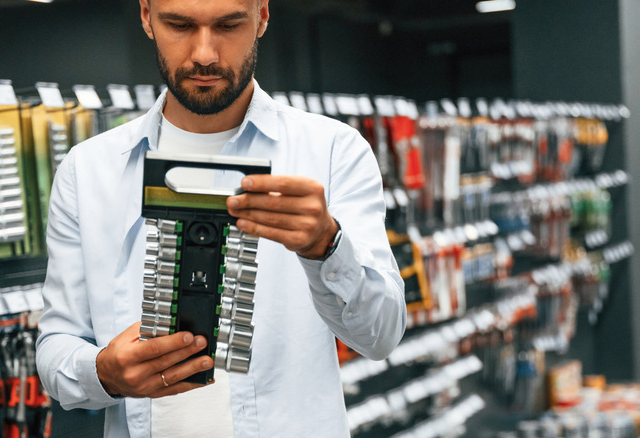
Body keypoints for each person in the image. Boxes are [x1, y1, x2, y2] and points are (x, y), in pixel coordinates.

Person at [35, 0, 406, 436]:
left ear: (262, 16)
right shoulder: (89, 170)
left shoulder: (332, 151)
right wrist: (104, 372)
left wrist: (327, 245)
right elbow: (56, 347)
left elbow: (381, 336)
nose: (205, 54)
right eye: (180, 25)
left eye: (229, 25)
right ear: (146, 17)